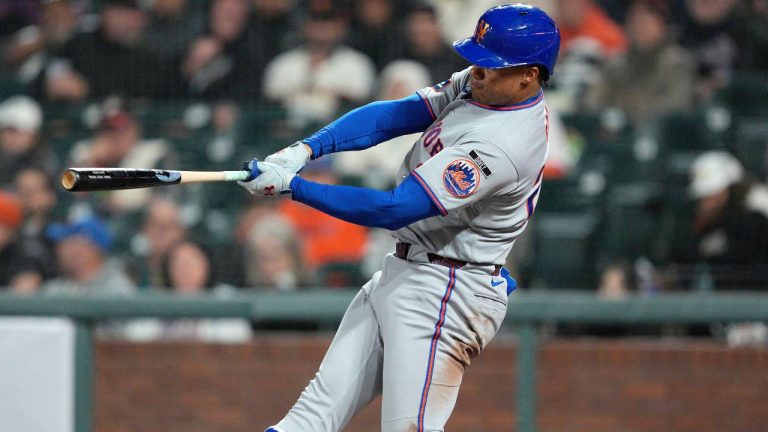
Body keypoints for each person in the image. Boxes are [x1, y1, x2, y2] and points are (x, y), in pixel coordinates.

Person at [239, 4, 557, 431]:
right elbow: (397, 114)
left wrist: (294, 188)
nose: (476, 72)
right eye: (477, 61)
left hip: (448, 289)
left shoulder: (506, 144)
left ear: (528, 75)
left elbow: (395, 208)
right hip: (406, 268)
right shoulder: (484, 85)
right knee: (305, 422)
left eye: (490, 66)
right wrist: (306, 150)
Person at [587, 0, 695, 127]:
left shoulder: (677, 64)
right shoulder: (615, 64)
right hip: (616, 136)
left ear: (663, 24)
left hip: (661, 139)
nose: (641, 26)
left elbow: (675, 109)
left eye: (649, 20)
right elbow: (593, 104)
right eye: (636, 20)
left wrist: (629, 114)